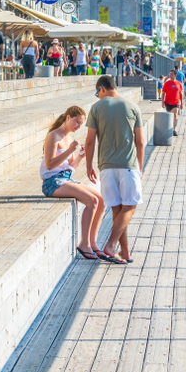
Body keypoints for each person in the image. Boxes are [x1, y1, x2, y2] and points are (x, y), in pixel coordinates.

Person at [85, 75, 144, 264]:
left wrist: (88, 165)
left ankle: (125, 252)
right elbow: (140, 142)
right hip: (128, 165)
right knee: (131, 206)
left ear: (102, 88)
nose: (98, 96)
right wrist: (140, 166)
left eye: (97, 93)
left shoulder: (96, 108)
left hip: (106, 167)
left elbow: (90, 140)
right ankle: (110, 245)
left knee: (118, 210)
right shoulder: (133, 106)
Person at [40, 105, 104, 259]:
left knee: (101, 200)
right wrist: (69, 151)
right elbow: (49, 164)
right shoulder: (53, 136)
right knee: (92, 201)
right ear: (68, 117)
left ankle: (93, 242)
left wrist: (80, 157)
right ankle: (84, 244)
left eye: (81, 124)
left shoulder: (69, 138)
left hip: (65, 178)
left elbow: (69, 167)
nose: (78, 126)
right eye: (77, 122)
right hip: (52, 182)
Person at [161, 68, 184, 135]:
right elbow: (163, 93)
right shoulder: (166, 83)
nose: (169, 75)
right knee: (169, 116)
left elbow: (181, 93)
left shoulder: (179, 83)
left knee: (175, 115)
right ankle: (169, 128)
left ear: (175, 75)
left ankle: (174, 129)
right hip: (168, 102)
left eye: (171, 74)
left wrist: (181, 103)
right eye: (169, 74)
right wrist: (162, 102)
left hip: (176, 102)